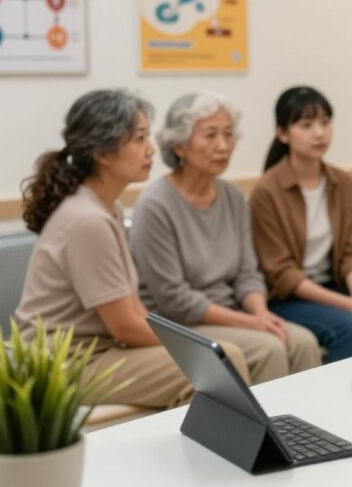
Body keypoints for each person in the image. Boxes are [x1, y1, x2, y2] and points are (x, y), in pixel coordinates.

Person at [16, 89, 248, 410]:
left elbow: (135, 309)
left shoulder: (105, 208)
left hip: (98, 350)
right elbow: (124, 326)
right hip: (64, 364)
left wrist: (198, 346)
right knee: (222, 361)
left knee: (221, 358)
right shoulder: (88, 219)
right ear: (103, 152)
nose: (151, 149)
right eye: (139, 139)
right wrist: (199, 347)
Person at [129, 91, 322, 382]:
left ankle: (303, 427)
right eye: (210, 135)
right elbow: (173, 299)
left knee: (303, 341)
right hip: (179, 324)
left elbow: (248, 273)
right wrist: (250, 323)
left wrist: (261, 314)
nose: (223, 145)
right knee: (269, 348)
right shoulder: (155, 204)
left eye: (229, 134)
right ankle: (269, 429)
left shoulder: (232, 196)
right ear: (179, 146)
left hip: (231, 313)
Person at [250, 86, 352, 362]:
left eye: (325, 122)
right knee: (349, 326)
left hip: (334, 289)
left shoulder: (341, 183)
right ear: (283, 133)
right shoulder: (267, 191)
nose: (319, 133)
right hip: (286, 299)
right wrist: (348, 305)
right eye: (306, 125)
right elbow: (282, 274)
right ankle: (340, 404)